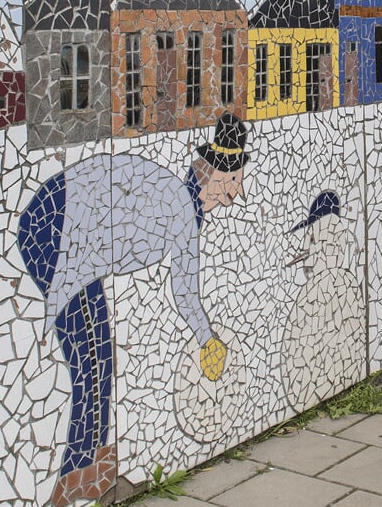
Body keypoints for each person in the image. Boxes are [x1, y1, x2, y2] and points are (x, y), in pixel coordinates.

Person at [17, 112, 248, 507]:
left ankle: (89, 465)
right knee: (90, 359)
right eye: (232, 185)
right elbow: (185, 292)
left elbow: (181, 287)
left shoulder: (179, 204)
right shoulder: (179, 209)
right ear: (213, 177)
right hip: (52, 228)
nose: (234, 196)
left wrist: (205, 337)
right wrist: (207, 338)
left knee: (98, 356)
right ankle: (76, 475)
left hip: (68, 237)